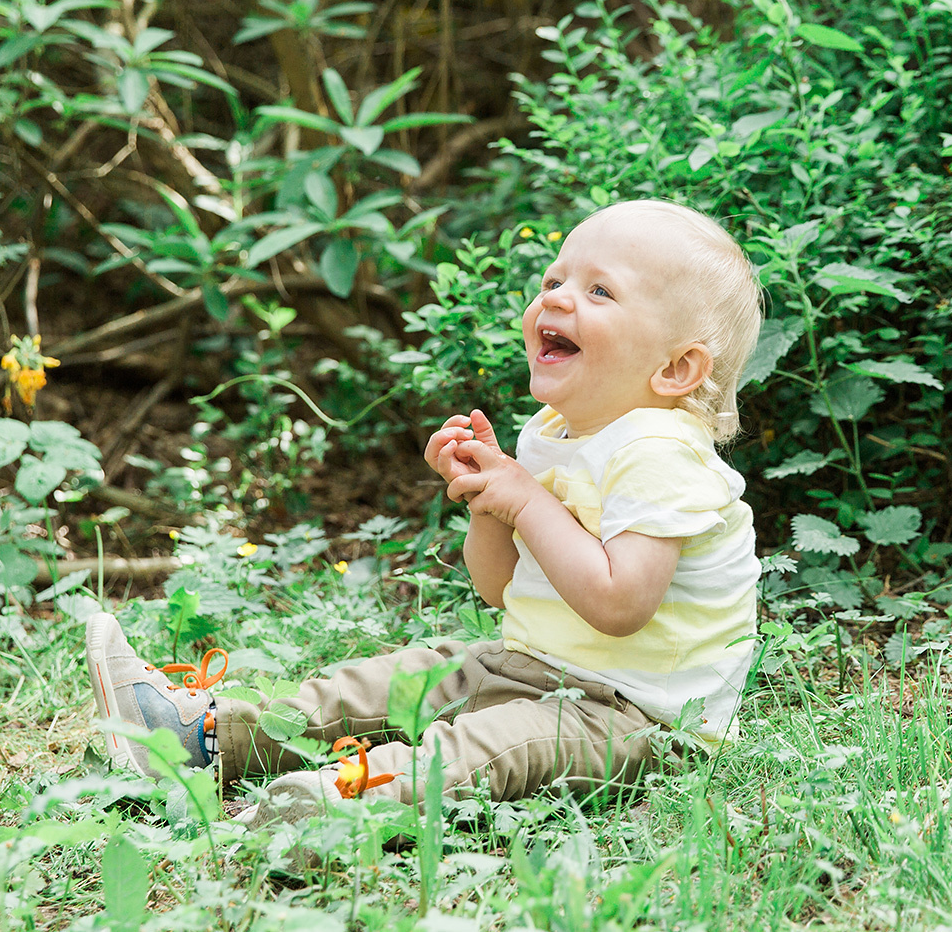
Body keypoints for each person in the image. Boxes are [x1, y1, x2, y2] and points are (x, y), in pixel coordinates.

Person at [84, 198, 762, 819]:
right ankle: (196, 735)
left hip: (637, 717)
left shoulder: (665, 454)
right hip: (532, 664)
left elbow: (619, 603)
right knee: (397, 680)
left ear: (676, 369)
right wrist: (490, 507)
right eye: (555, 279)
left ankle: (348, 799)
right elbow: (501, 587)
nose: (557, 298)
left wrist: (525, 499)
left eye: (599, 290)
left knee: (491, 745)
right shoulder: (553, 429)